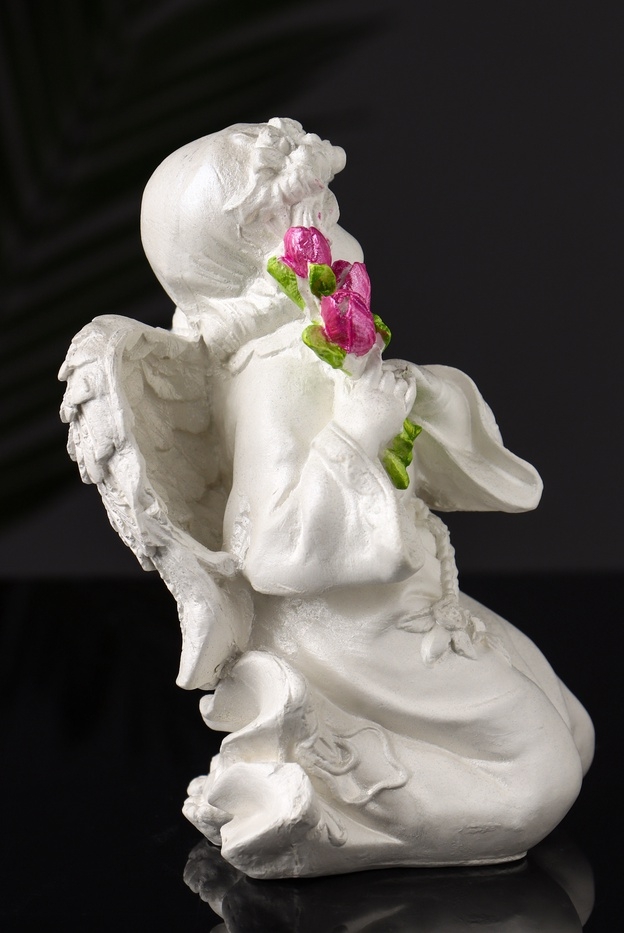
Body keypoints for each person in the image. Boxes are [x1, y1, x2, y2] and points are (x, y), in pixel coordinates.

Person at [67, 118, 594, 879]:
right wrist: (356, 431)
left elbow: (403, 445)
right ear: (272, 248)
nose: (344, 231)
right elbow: (268, 545)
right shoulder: (277, 367)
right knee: (539, 785)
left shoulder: (315, 341)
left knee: (573, 732)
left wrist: (405, 398)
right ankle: (310, 807)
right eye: (324, 215)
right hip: (349, 633)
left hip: (406, 602)